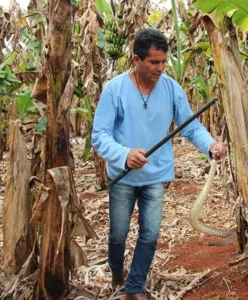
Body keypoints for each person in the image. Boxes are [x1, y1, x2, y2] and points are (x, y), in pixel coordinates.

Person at [91, 28, 226, 300]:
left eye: (163, 61)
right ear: (136, 60)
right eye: (154, 62)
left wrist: (210, 145)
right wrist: (125, 154)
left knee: (150, 234)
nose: (161, 68)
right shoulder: (115, 90)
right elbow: (100, 135)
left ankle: (134, 287)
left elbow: (190, 126)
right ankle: (117, 270)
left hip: (155, 176)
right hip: (123, 175)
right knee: (118, 234)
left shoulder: (171, 88)